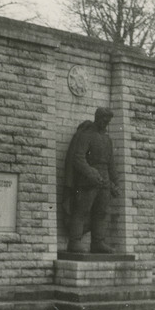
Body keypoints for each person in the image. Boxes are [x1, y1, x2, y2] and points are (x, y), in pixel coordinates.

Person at [63, 107, 120, 253]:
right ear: (97, 118)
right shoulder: (86, 135)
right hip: (88, 179)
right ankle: (74, 241)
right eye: (102, 120)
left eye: (107, 121)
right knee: (81, 210)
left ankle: (97, 242)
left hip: (104, 179)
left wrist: (115, 182)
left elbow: (111, 163)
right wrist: (91, 173)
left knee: (101, 212)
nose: (104, 123)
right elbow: (78, 158)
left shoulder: (107, 140)